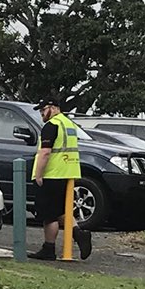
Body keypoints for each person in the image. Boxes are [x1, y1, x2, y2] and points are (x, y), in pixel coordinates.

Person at [28, 96, 92, 261]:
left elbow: (45, 152)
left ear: (53, 108)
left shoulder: (52, 125)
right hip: (68, 172)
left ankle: (48, 248)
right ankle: (79, 233)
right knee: (61, 210)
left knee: (49, 215)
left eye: (43, 110)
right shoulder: (69, 124)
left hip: (52, 173)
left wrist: (39, 174)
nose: (42, 114)